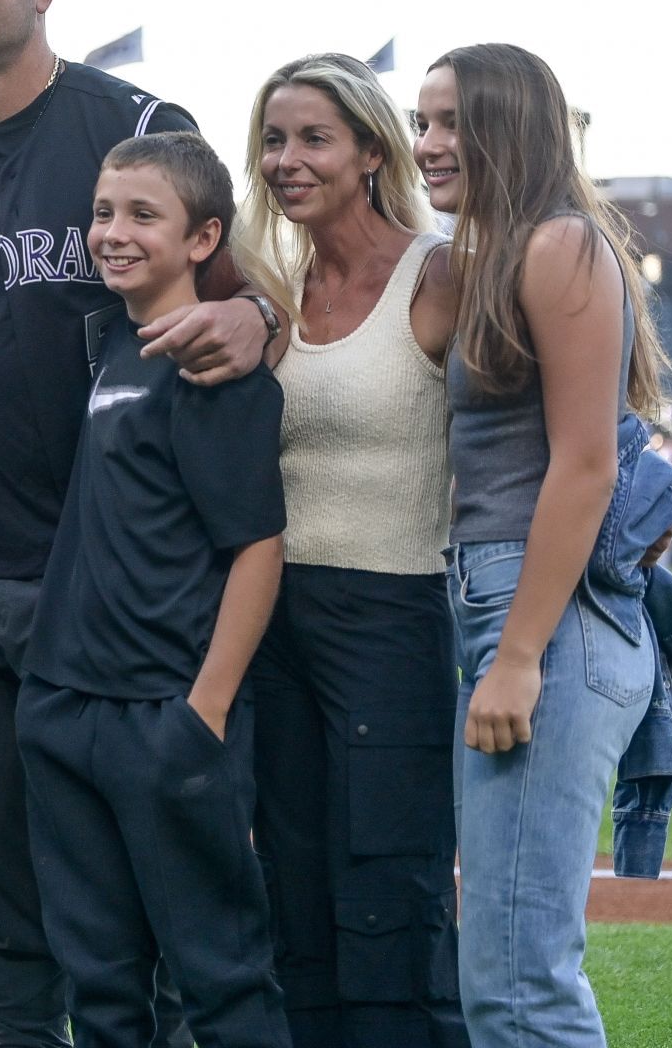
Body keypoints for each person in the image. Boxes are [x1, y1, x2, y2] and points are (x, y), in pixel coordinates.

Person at [0, 0, 274, 1046]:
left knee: (130, 899)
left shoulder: (134, 119)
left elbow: (234, 284)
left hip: (96, 583)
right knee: (4, 898)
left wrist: (260, 318)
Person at [415, 43, 668, 1046]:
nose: (427, 141)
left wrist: (517, 654)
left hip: (541, 614)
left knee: (521, 983)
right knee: (506, 967)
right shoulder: (491, 255)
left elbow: (585, 466)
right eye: (419, 120)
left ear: (507, 127)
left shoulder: (559, 243)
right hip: (507, 599)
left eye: (448, 121)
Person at [17, 131, 289, 1048]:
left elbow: (258, 549)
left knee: (221, 978)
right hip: (65, 708)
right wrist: (47, 699)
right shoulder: (109, 347)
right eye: (103, 212)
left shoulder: (217, 365)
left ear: (203, 238)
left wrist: (204, 712)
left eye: (143, 214)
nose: (114, 232)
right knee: (98, 988)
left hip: (165, 714)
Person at [232, 52, 468, 1047]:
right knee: (294, 893)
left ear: (372, 150)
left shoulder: (442, 270)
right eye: (274, 139)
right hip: (275, 624)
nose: (288, 159)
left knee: (389, 894)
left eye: (313, 137)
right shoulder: (268, 291)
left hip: (393, 619)